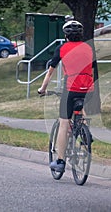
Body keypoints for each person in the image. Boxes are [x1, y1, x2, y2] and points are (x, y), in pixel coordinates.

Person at [38, 20, 94, 173]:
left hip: (70, 89)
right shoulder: (89, 48)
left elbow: (50, 72)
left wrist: (42, 89)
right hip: (88, 89)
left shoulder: (62, 48)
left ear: (65, 35)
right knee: (81, 108)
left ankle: (61, 161)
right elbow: (93, 69)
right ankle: (86, 132)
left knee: (64, 124)